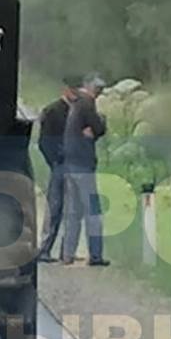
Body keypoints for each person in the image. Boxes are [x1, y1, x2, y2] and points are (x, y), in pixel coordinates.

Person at [61, 75, 110, 267]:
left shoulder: (75, 104)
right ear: (95, 90)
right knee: (93, 211)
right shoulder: (88, 104)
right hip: (83, 164)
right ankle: (96, 255)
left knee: (73, 212)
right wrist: (101, 121)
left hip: (70, 163)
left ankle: (67, 254)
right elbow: (98, 128)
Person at [37, 76, 79, 262]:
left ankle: (66, 252)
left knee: (73, 209)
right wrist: (54, 161)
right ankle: (45, 249)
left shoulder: (79, 111)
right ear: (66, 90)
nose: (75, 94)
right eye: (73, 90)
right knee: (54, 208)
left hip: (75, 164)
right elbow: (44, 141)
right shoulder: (53, 111)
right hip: (60, 165)